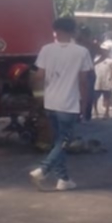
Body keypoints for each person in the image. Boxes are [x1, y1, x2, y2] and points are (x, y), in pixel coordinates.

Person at [30, 16, 91, 191]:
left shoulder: (46, 49)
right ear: (73, 31)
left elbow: (39, 76)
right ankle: (43, 169)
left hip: (51, 103)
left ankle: (63, 179)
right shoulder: (81, 52)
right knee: (64, 141)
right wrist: (85, 102)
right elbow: (83, 81)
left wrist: (39, 95)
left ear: (55, 31)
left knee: (58, 141)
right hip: (69, 104)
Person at [91, 50, 112, 120]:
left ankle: (106, 112)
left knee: (107, 97)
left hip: (107, 80)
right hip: (97, 81)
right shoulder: (95, 59)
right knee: (95, 97)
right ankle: (95, 111)